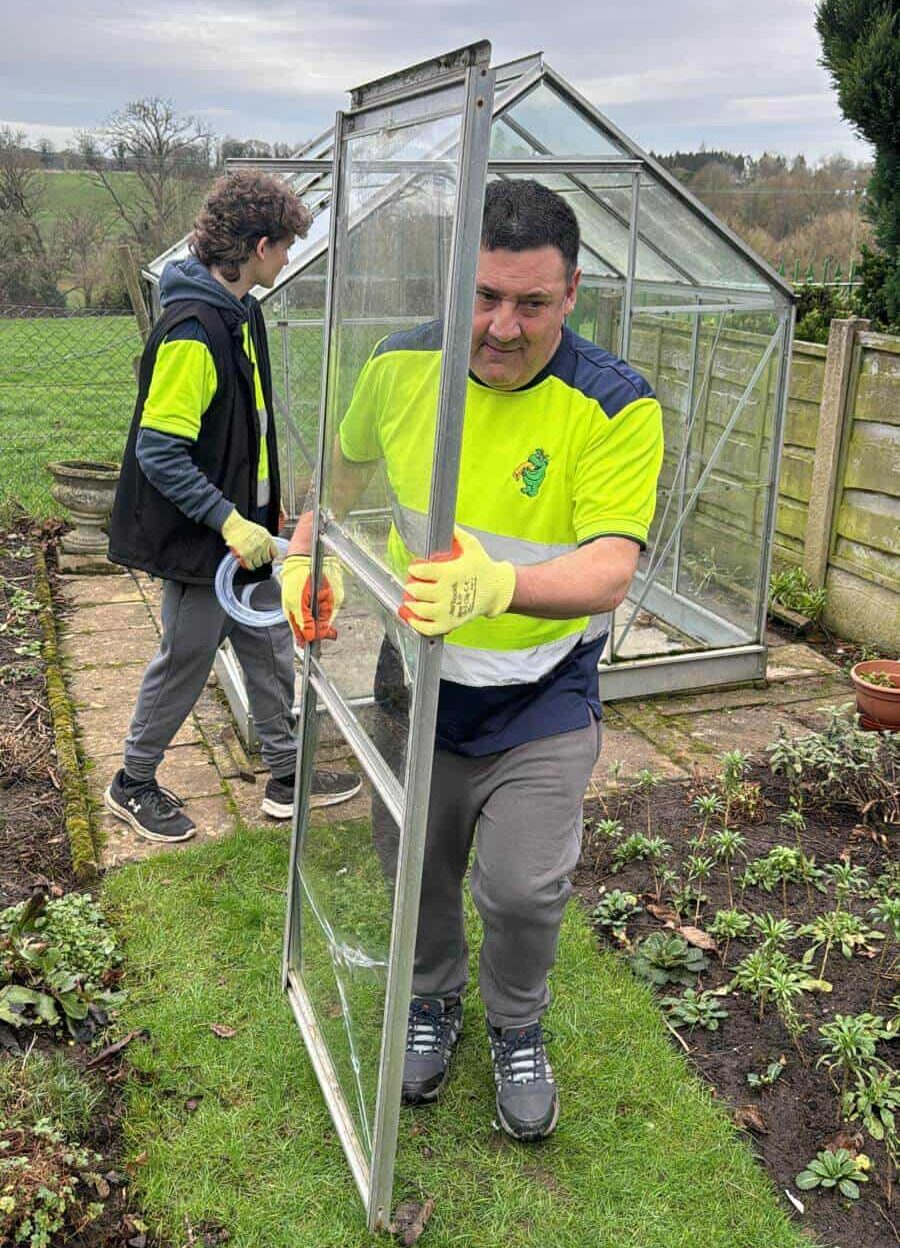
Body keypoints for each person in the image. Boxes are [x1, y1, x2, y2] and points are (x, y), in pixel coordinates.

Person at [282, 180, 663, 1140]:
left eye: (531, 303)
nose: (501, 325)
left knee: (524, 887)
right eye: (483, 296)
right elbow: (338, 481)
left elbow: (611, 568)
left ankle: (517, 1025)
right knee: (413, 863)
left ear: (572, 295)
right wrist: (302, 553)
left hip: (539, 693)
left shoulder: (616, 403)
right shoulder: (400, 365)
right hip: (418, 682)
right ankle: (429, 999)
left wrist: (497, 587)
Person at [105, 170, 360, 844]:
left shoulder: (237, 312)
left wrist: (265, 508)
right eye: (285, 248)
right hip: (199, 537)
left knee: (269, 640)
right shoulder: (194, 329)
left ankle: (284, 775)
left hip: (243, 528)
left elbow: (250, 424)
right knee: (187, 655)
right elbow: (160, 452)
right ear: (258, 244)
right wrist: (228, 518)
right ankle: (131, 782)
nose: (289, 259)